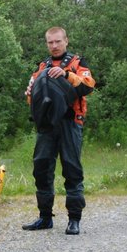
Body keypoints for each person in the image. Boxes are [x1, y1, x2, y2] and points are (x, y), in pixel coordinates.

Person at [22, 27, 95, 235]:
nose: (54, 46)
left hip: (70, 123)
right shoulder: (41, 67)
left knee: (72, 169)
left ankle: (74, 219)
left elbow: (88, 86)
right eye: (50, 42)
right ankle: (45, 217)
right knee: (41, 168)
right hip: (47, 126)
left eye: (57, 42)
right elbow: (33, 100)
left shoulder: (79, 64)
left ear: (66, 41)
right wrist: (30, 93)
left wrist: (66, 74)